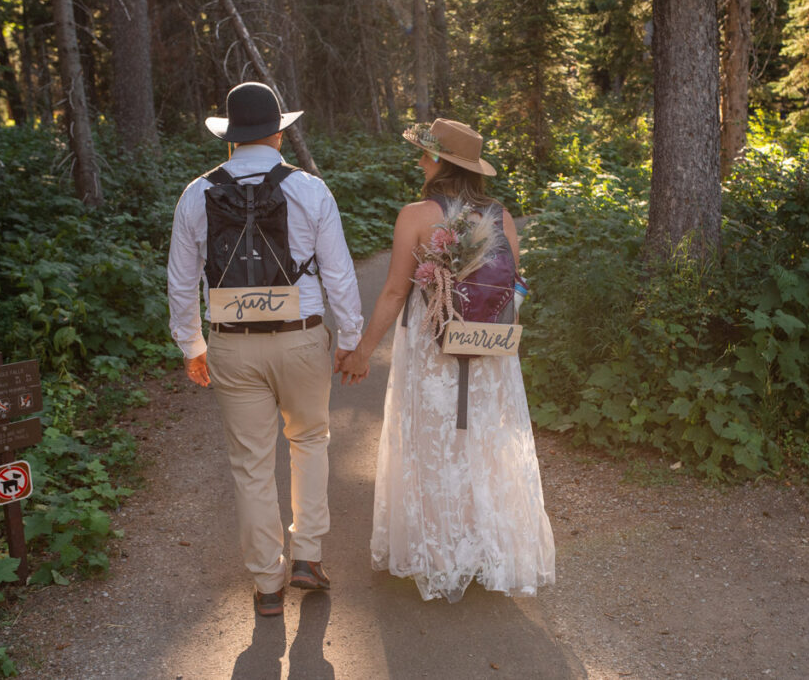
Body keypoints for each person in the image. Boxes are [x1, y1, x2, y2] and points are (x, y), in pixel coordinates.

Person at [338, 118, 555, 602]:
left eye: (425, 155)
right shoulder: (501, 215)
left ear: (440, 163)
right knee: (483, 441)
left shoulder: (416, 214)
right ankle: (485, 549)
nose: (420, 162)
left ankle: (438, 551)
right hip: (486, 348)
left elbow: (395, 291)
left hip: (432, 346)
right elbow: (513, 290)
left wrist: (363, 352)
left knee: (432, 439)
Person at [168, 82, 363, 616]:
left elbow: (182, 282)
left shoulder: (195, 194)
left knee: (251, 464)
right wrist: (349, 341)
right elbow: (339, 273)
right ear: (279, 130)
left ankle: (267, 583)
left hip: (232, 343)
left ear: (231, 137)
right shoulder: (310, 190)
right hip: (300, 337)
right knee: (311, 442)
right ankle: (308, 557)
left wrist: (192, 345)